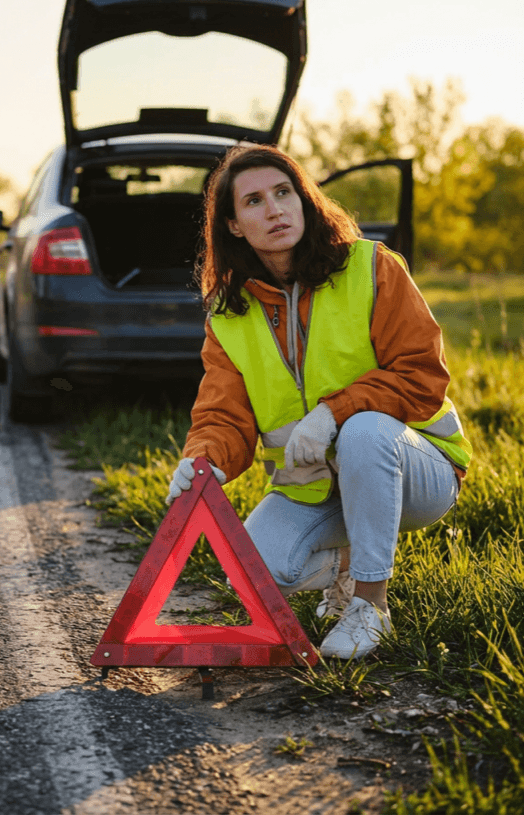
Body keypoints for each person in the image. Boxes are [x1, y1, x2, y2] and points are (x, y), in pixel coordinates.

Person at [166, 144, 471, 659]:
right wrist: (202, 462)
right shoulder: (230, 318)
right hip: (314, 488)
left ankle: (371, 606)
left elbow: (421, 376)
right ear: (235, 225)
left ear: (305, 200)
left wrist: (333, 413)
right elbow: (224, 415)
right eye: (255, 201)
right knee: (249, 567)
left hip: (417, 470)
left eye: (285, 193)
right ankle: (347, 567)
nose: (275, 210)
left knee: (363, 431)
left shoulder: (371, 267)